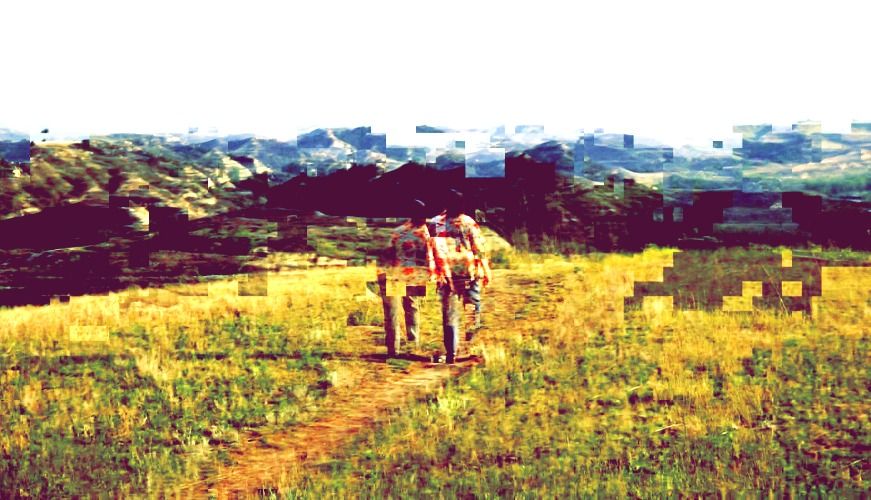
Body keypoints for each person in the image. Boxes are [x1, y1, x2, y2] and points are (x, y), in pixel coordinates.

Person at [430, 190, 492, 364]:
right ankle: (470, 347)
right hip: (468, 272)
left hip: (447, 273)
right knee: (472, 308)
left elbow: (435, 249)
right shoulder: (468, 222)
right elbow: (478, 248)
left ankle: (452, 352)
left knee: (449, 313)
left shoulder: (437, 222)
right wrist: (486, 269)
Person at [377, 199, 436, 358]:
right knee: (412, 309)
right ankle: (412, 345)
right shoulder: (425, 232)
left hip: (396, 274)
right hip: (414, 275)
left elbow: (388, 254)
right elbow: (429, 256)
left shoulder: (399, 230)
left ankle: (393, 349)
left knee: (393, 313)